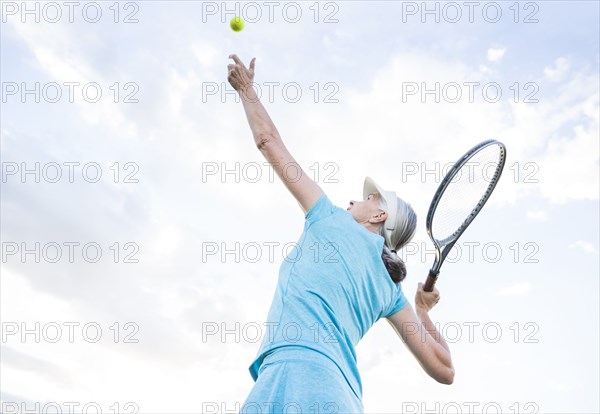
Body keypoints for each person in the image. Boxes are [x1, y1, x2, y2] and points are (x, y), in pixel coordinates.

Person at [227, 54, 454, 414]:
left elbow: (268, 141)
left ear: (379, 215)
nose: (354, 200)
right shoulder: (388, 289)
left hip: (291, 378)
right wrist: (423, 312)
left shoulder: (328, 218)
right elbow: (444, 370)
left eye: (368, 199)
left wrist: (246, 90)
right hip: (341, 397)